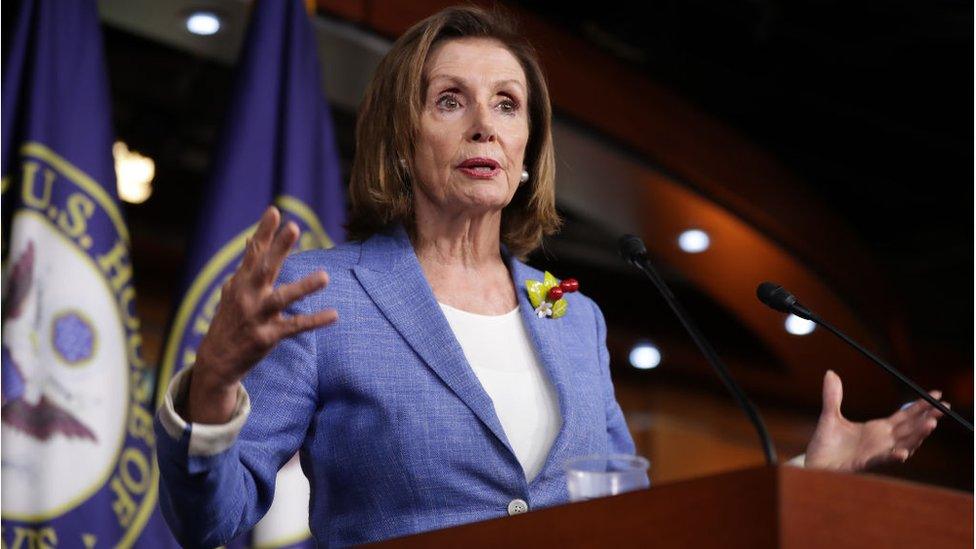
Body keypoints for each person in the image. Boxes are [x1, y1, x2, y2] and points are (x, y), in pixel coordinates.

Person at [154, 6, 948, 547]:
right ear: (402, 138)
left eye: (507, 105)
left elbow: (629, 514)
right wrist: (213, 393)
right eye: (448, 101)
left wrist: (811, 475)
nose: (482, 125)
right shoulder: (328, 296)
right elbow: (212, 525)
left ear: (528, 148)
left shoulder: (575, 318)